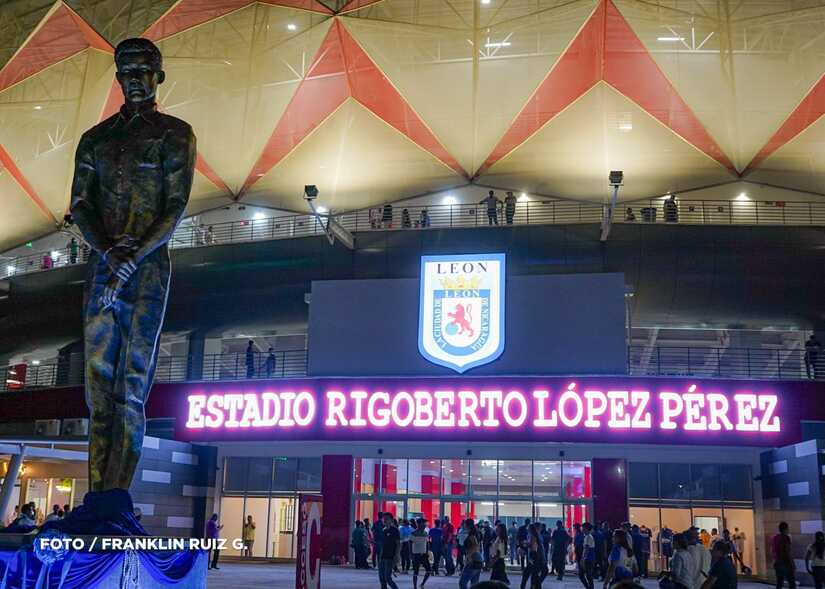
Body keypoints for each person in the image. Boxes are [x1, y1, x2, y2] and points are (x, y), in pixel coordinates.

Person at [71, 38, 196, 492]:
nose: (135, 81)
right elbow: (80, 204)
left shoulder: (174, 134)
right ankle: (95, 496)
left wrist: (133, 256)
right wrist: (110, 253)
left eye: (143, 71)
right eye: (127, 73)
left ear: (158, 76)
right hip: (104, 266)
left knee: (132, 381)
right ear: (118, 78)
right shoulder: (96, 139)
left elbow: (175, 206)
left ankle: (117, 495)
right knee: (98, 385)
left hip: (148, 269)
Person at [522, 524, 548, 589]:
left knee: (531, 574)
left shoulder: (533, 536)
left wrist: (525, 544)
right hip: (537, 557)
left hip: (534, 556)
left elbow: (532, 545)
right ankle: (533, 585)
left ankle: (530, 586)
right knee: (533, 574)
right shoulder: (537, 535)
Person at [379, 512, 400, 589]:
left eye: (386, 519)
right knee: (382, 578)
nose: (384, 520)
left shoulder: (395, 530)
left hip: (390, 557)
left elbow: (398, 544)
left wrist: (397, 555)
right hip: (382, 556)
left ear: (391, 520)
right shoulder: (383, 530)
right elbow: (383, 544)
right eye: (383, 519)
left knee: (387, 578)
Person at [773, 522, 796, 589]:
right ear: (785, 529)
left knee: (779, 583)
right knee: (792, 583)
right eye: (787, 528)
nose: (788, 530)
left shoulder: (775, 538)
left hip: (777, 562)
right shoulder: (786, 538)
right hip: (786, 563)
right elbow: (787, 552)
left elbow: (773, 550)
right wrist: (792, 563)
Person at [411, 518, 431, 589]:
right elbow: (410, 544)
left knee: (429, 570)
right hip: (416, 554)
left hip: (424, 554)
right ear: (418, 524)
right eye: (423, 523)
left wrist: (427, 552)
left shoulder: (425, 533)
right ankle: (415, 587)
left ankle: (422, 584)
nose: (425, 525)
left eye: (425, 523)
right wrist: (411, 555)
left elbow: (427, 543)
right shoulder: (414, 533)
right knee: (416, 572)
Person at [579, 522, 596, 589]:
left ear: (586, 528)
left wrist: (583, 559)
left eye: (583, 528)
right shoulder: (588, 536)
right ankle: (590, 587)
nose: (582, 529)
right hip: (589, 558)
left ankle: (590, 587)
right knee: (587, 575)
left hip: (588, 559)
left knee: (585, 574)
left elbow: (586, 549)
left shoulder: (588, 537)